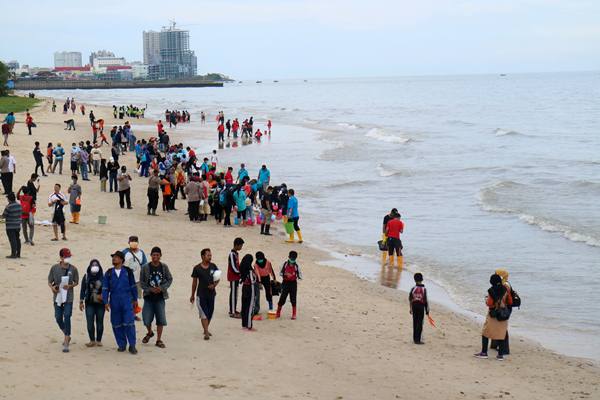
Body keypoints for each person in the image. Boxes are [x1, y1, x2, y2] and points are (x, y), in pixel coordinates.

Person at [102, 250, 138, 354]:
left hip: (127, 300)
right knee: (116, 323)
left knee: (129, 323)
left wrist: (135, 299)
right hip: (114, 301)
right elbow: (105, 288)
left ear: (121, 260)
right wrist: (105, 301)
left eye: (116, 257)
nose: (114, 259)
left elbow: (133, 286)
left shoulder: (128, 272)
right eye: (113, 257)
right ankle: (121, 345)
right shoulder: (108, 273)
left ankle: (132, 345)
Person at [474, 274, 513, 361]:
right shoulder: (506, 289)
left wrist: (486, 300)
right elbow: (510, 301)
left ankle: (484, 353)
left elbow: (489, 303)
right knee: (501, 334)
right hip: (503, 315)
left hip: (493, 314)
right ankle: (500, 355)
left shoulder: (491, 290)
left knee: (485, 333)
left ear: (492, 282)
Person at [140, 247, 173, 348]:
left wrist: (162, 288)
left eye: (157, 255)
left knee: (161, 319)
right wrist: (150, 289)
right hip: (149, 298)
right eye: (154, 255)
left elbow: (170, 279)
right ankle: (150, 332)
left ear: (160, 256)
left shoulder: (164, 267)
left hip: (160, 298)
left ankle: (158, 340)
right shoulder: (145, 267)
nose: (155, 257)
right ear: (151, 255)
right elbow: (141, 282)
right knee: (146, 319)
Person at [48, 248, 79, 352]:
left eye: (69, 256)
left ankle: (66, 339)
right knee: (58, 317)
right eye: (66, 257)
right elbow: (49, 281)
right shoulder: (54, 268)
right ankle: (66, 332)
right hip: (58, 296)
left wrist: (70, 286)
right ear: (61, 257)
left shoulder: (73, 269)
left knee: (67, 315)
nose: (68, 258)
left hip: (69, 296)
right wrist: (52, 288)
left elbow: (76, 282)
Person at [190, 248, 220, 340]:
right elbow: (194, 283)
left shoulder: (213, 266)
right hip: (201, 295)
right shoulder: (197, 268)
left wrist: (214, 285)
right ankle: (206, 332)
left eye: (210, 255)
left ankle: (205, 328)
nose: (210, 257)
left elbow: (218, 278)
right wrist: (192, 295)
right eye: (208, 255)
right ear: (203, 256)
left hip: (211, 294)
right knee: (203, 314)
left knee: (210, 314)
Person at [79, 259, 105, 347]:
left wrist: (105, 299)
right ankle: (92, 340)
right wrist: (81, 301)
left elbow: (107, 289)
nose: (94, 267)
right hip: (89, 303)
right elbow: (82, 289)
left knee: (100, 322)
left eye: (96, 266)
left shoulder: (103, 277)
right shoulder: (86, 276)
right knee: (90, 323)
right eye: (93, 266)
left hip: (100, 304)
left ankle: (99, 340)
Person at [122, 236, 148, 317]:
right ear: (128, 242)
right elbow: (119, 264)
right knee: (126, 296)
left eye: (135, 241)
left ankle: (133, 314)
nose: (133, 242)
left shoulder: (141, 253)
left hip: (137, 280)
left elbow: (145, 265)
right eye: (132, 241)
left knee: (135, 298)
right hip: (126, 280)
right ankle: (126, 313)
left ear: (138, 242)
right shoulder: (124, 252)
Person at [276, 251, 301, 319]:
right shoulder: (284, 264)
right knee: (282, 297)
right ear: (288, 257)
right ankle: (278, 312)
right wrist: (286, 275)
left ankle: (294, 314)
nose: (292, 260)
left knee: (293, 298)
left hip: (293, 284)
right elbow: (280, 273)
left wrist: (294, 276)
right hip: (285, 283)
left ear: (295, 259)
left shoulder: (297, 266)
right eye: (291, 258)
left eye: (293, 259)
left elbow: (300, 276)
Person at [409, 273, 429, 345]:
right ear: (422, 279)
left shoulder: (413, 289)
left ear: (415, 280)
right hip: (421, 307)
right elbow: (425, 300)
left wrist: (410, 308)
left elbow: (410, 299)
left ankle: (415, 339)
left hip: (414, 306)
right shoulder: (424, 289)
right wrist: (427, 310)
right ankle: (418, 340)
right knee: (420, 323)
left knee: (415, 322)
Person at [239, 254, 258, 330]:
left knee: (244, 306)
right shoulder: (249, 270)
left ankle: (244, 324)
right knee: (250, 307)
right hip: (250, 289)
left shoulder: (242, 268)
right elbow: (253, 280)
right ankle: (249, 325)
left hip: (244, 288)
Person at [227, 237, 244, 318]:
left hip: (236, 276)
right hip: (233, 277)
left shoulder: (236, 254)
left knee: (235, 293)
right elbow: (233, 267)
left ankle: (233, 309)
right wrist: (240, 273)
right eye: (241, 245)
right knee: (233, 294)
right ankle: (233, 312)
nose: (241, 247)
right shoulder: (232, 254)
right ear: (237, 245)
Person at [3, 192, 22, 258]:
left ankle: (13, 254)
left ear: (9, 199)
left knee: (12, 240)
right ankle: (18, 253)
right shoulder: (19, 205)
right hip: (17, 225)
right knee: (17, 239)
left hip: (10, 226)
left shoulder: (8, 206)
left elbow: (4, 216)